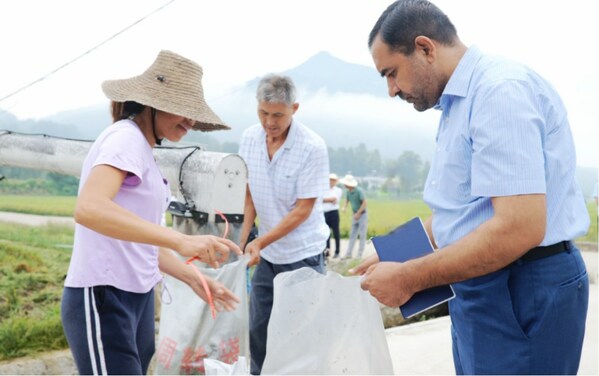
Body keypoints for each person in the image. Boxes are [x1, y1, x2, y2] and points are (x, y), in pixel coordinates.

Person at [355, 1, 591, 374]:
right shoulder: (457, 102)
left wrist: (409, 276)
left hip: (519, 286)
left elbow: (520, 226)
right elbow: (465, 209)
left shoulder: (499, 93)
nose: (391, 89)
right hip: (483, 285)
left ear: (425, 48)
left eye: (392, 73)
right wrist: (400, 252)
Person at [60, 50, 242, 375]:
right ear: (153, 102)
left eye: (193, 114)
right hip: (104, 294)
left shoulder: (144, 147)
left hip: (137, 297)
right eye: (183, 111)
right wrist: (180, 241)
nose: (190, 121)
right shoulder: (125, 138)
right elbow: (89, 208)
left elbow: (139, 239)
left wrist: (193, 277)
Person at [238, 73, 330, 374]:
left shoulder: (312, 147)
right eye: (263, 113)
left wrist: (261, 241)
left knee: (301, 335)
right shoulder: (250, 139)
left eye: (278, 115)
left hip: (303, 255)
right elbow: (249, 193)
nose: (269, 122)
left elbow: (303, 209)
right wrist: (243, 240)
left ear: (295, 109)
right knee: (259, 328)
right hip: (269, 256)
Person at [340, 174, 368, 259]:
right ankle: (348, 253)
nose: (344, 185)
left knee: (362, 234)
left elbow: (364, 203)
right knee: (352, 234)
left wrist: (358, 213)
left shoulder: (359, 191)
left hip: (362, 214)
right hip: (354, 215)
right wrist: (344, 207)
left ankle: (359, 254)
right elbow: (346, 200)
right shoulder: (348, 192)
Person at [323, 173, 343, 258]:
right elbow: (320, 199)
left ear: (336, 182)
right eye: (330, 180)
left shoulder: (338, 190)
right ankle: (327, 251)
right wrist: (328, 200)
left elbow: (334, 200)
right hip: (325, 212)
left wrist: (326, 200)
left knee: (336, 233)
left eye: (333, 180)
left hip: (334, 213)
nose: (331, 182)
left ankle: (337, 252)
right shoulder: (323, 189)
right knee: (326, 233)